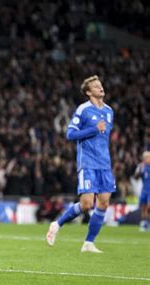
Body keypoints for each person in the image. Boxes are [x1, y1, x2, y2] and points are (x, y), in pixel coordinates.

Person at [46, 75, 114, 253]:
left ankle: (89, 243)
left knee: (104, 203)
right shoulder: (83, 110)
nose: (100, 87)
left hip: (105, 164)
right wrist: (93, 129)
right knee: (86, 204)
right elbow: (70, 134)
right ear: (88, 92)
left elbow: (104, 138)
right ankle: (57, 224)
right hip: (88, 163)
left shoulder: (109, 111)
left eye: (100, 84)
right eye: (96, 86)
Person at [134, 151, 150, 232]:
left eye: (147, 157)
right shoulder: (142, 167)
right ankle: (145, 223)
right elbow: (136, 177)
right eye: (145, 157)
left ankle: (147, 222)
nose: (146, 159)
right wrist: (139, 169)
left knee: (148, 206)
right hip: (144, 190)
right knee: (143, 207)